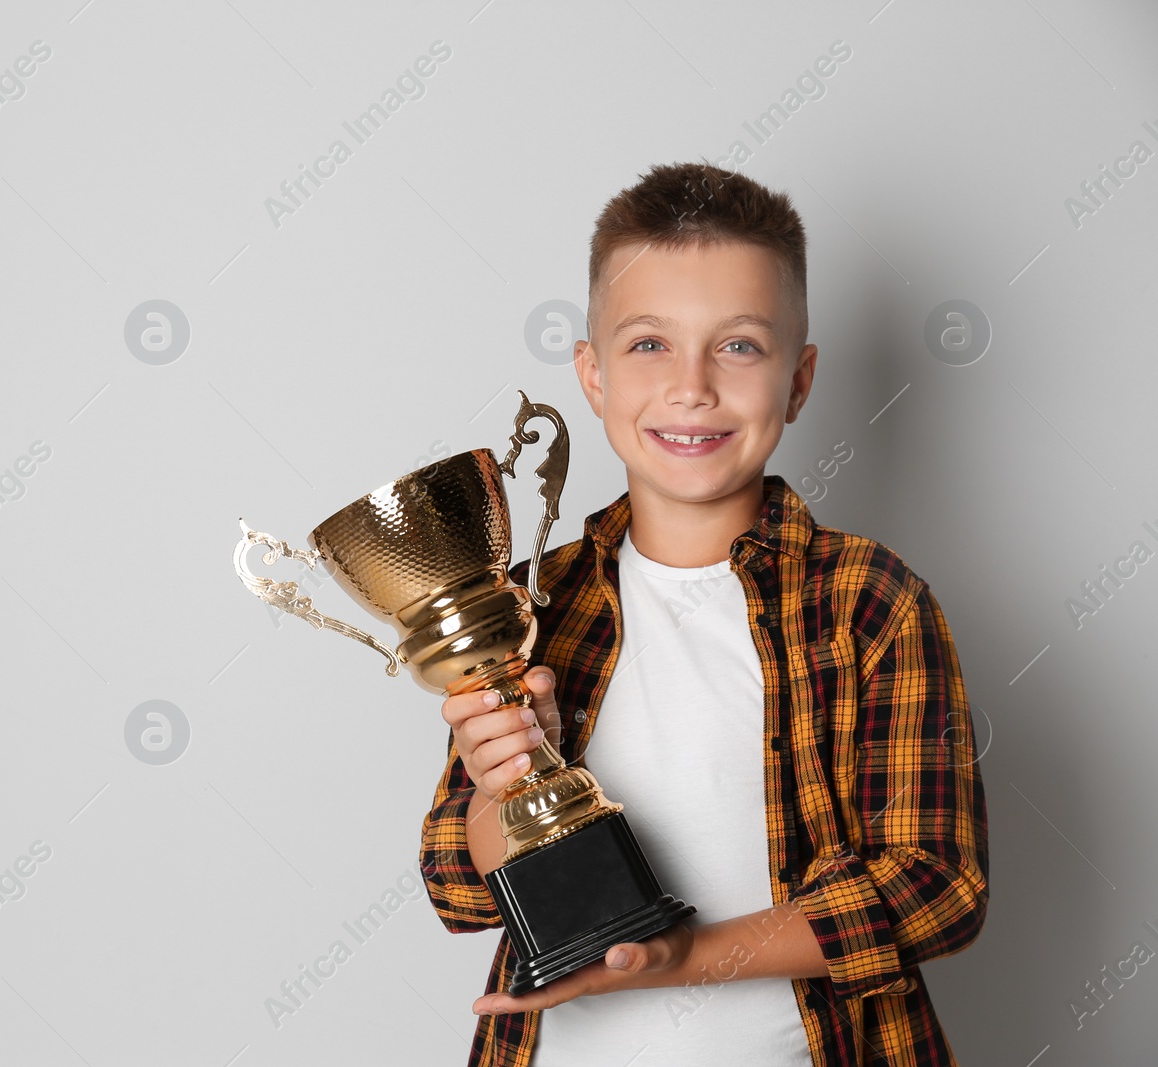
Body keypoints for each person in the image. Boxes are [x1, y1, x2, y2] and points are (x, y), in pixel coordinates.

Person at [418, 162, 989, 1066]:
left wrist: (683, 960)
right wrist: (501, 792)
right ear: (593, 376)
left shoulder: (870, 600)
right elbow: (459, 883)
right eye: (649, 344)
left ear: (798, 382)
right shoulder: (529, 604)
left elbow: (934, 888)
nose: (692, 386)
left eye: (739, 346)